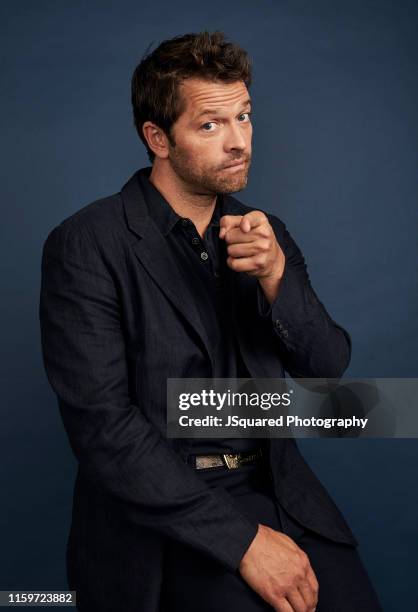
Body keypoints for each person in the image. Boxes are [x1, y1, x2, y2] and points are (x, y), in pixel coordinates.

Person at [39, 31, 382, 612]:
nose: (238, 142)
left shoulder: (264, 232)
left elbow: (329, 372)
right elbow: (104, 430)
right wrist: (242, 542)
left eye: (244, 117)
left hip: (279, 489)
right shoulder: (87, 243)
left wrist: (278, 279)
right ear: (157, 138)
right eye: (210, 125)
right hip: (167, 514)